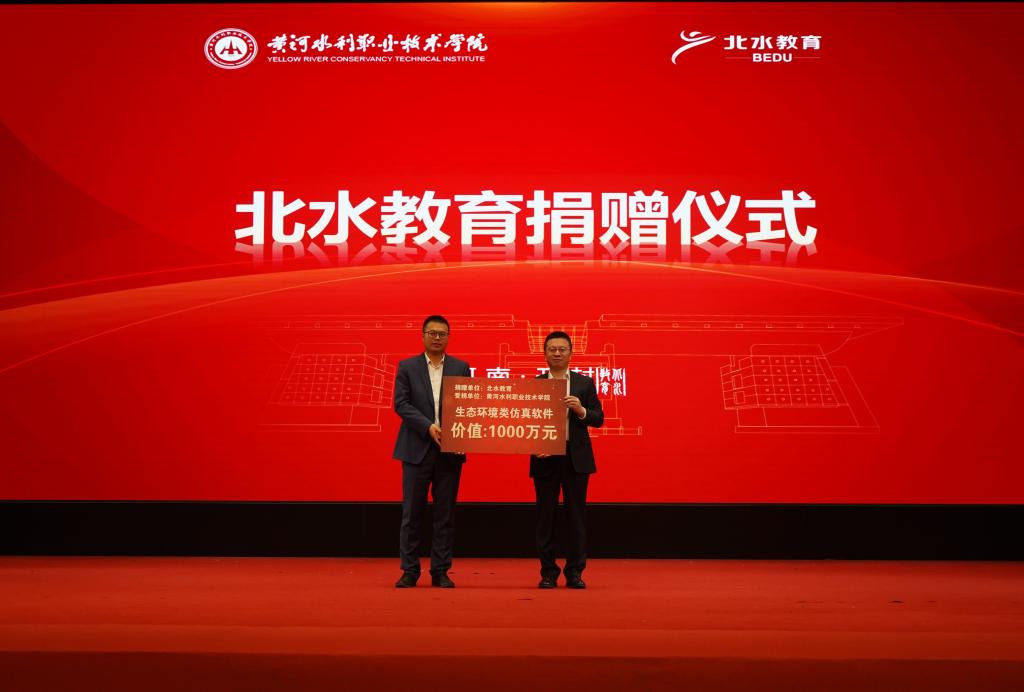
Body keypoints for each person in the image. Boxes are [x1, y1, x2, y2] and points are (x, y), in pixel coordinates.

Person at [392, 315, 471, 588]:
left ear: (448, 337)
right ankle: (409, 570)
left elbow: (468, 405)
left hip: (449, 450)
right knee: (411, 514)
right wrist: (428, 427)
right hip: (416, 448)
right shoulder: (407, 367)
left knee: (444, 515)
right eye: (432, 333)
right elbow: (401, 404)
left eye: (442, 333)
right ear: (423, 335)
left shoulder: (461, 367)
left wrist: (458, 434)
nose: (437, 338)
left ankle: (440, 570)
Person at [530, 331, 604, 589]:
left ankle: (575, 572)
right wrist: (535, 446)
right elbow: (526, 422)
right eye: (552, 349)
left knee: (576, 517)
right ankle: (548, 573)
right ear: (545, 353)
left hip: (575, 458)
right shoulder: (535, 384)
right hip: (544, 458)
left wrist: (580, 410)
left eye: (562, 349)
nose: (557, 353)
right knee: (545, 518)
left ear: (571, 353)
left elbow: (599, 418)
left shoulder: (584, 383)